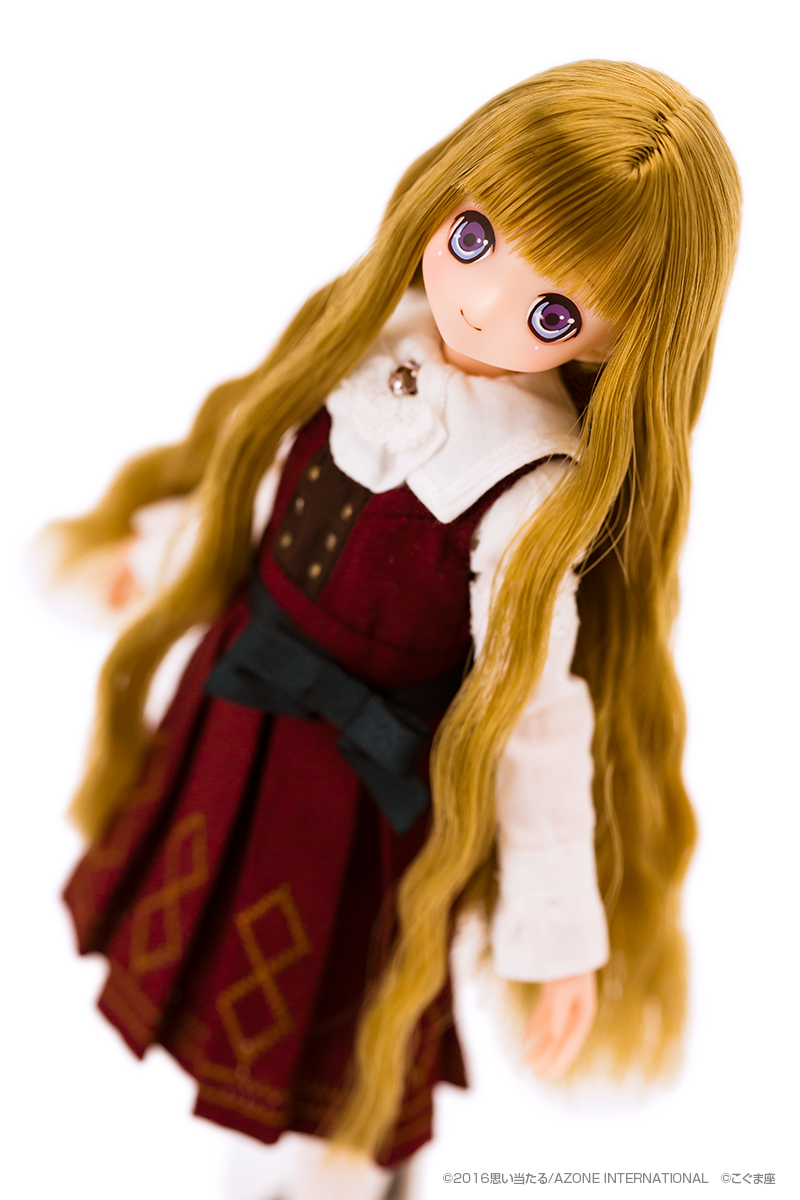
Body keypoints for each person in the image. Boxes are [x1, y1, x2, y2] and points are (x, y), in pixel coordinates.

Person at [49, 60, 741, 1200]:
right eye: (475, 238)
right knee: (220, 957)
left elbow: (535, 716)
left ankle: (343, 1173)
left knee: (341, 1019)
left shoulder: (526, 492)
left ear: (613, 343)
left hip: (364, 797)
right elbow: (260, 489)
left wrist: (557, 935)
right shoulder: (364, 344)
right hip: (240, 723)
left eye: (552, 311)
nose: (482, 302)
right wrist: (163, 553)